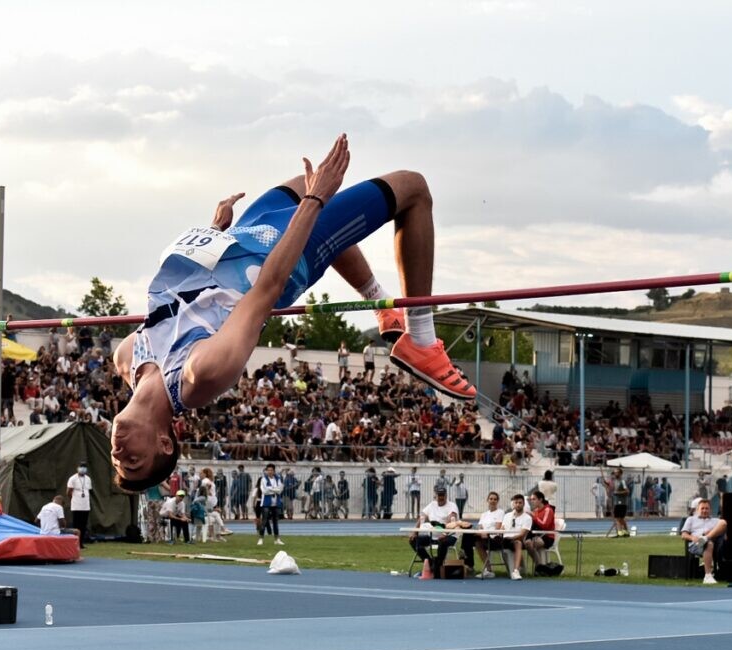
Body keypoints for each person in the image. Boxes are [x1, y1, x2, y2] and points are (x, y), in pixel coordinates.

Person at [110, 136, 475, 492]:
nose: (118, 453)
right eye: (133, 462)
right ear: (165, 443)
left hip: (239, 238)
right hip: (286, 252)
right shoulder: (200, 372)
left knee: (301, 183)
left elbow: (184, 299)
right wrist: (316, 201)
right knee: (412, 188)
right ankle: (422, 340)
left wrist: (212, 232)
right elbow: (267, 287)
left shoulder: (127, 357)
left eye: (116, 462)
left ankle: (379, 303)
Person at [409, 486, 460, 578]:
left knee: (443, 542)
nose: (441, 497)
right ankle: (430, 564)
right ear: (436, 496)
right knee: (413, 540)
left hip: (450, 535)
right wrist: (415, 531)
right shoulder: (432, 505)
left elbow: (452, 519)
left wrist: (445, 534)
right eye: (439, 495)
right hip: (433, 536)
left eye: (443, 495)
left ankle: (438, 568)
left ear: (446, 495)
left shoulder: (452, 506)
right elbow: (422, 517)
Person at [681, 498, 727, 585]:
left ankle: (705, 538)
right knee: (708, 544)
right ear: (698, 509)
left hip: (713, 543)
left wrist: (707, 535)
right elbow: (683, 535)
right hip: (696, 544)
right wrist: (693, 538)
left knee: (723, 523)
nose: (704, 510)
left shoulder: (715, 521)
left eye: (707, 508)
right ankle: (708, 576)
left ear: (710, 510)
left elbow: (724, 527)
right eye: (702, 508)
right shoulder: (691, 519)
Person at [525, 490, 561, 575]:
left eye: (534, 499)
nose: (532, 501)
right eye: (531, 499)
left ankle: (539, 567)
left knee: (530, 544)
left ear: (540, 500)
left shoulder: (548, 510)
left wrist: (534, 517)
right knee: (526, 543)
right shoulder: (536, 510)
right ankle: (541, 567)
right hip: (539, 535)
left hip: (548, 536)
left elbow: (544, 525)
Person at [502, 494, 533, 581]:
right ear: (513, 504)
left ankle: (515, 571)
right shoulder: (507, 516)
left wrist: (512, 538)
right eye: (516, 503)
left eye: (520, 503)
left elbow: (522, 534)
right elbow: (502, 529)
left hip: (517, 540)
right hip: (504, 539)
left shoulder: (527, 518)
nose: (518, 504)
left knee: (518, 543)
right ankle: (487, 569)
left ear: (523, 504)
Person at [66, 462, 93, 548]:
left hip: (85, 506)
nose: (83, 469)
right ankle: (75, 543)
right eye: (81, 467)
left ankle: (81, 543)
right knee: (76, 525)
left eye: (84, 467)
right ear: (77, 468)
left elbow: (88, 490)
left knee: (83, 525)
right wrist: (73, 500)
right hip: (76, 506)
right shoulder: (72, 478)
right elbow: (68, 492)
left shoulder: (88, 479)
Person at [257, 463, 284, 546]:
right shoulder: (263, 479)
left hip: (275, 503)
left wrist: (271, 489)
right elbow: (264, 491)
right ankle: (261, 538)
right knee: (264, 521)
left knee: (275, 522)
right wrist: (275, 490)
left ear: (274, 471)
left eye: (271, 470)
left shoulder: (277, 478)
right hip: (266, 503)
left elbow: (280, 489)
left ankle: (277, 539)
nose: (269, 472)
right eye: (268, 470)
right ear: (266, 471)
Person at [603, 467, 630, 537]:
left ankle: (620, 533)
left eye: (616, 472)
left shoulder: (622, 481)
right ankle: (626, 532)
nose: (615, 473)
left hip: (622, 502)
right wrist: (606, 484)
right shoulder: (615, 481)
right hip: (617, 502)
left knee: (617, 518)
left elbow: (627, 491)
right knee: (621, 518)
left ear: (620, 473)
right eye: (614, 472)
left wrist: (618, 492)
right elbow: (611, 487)